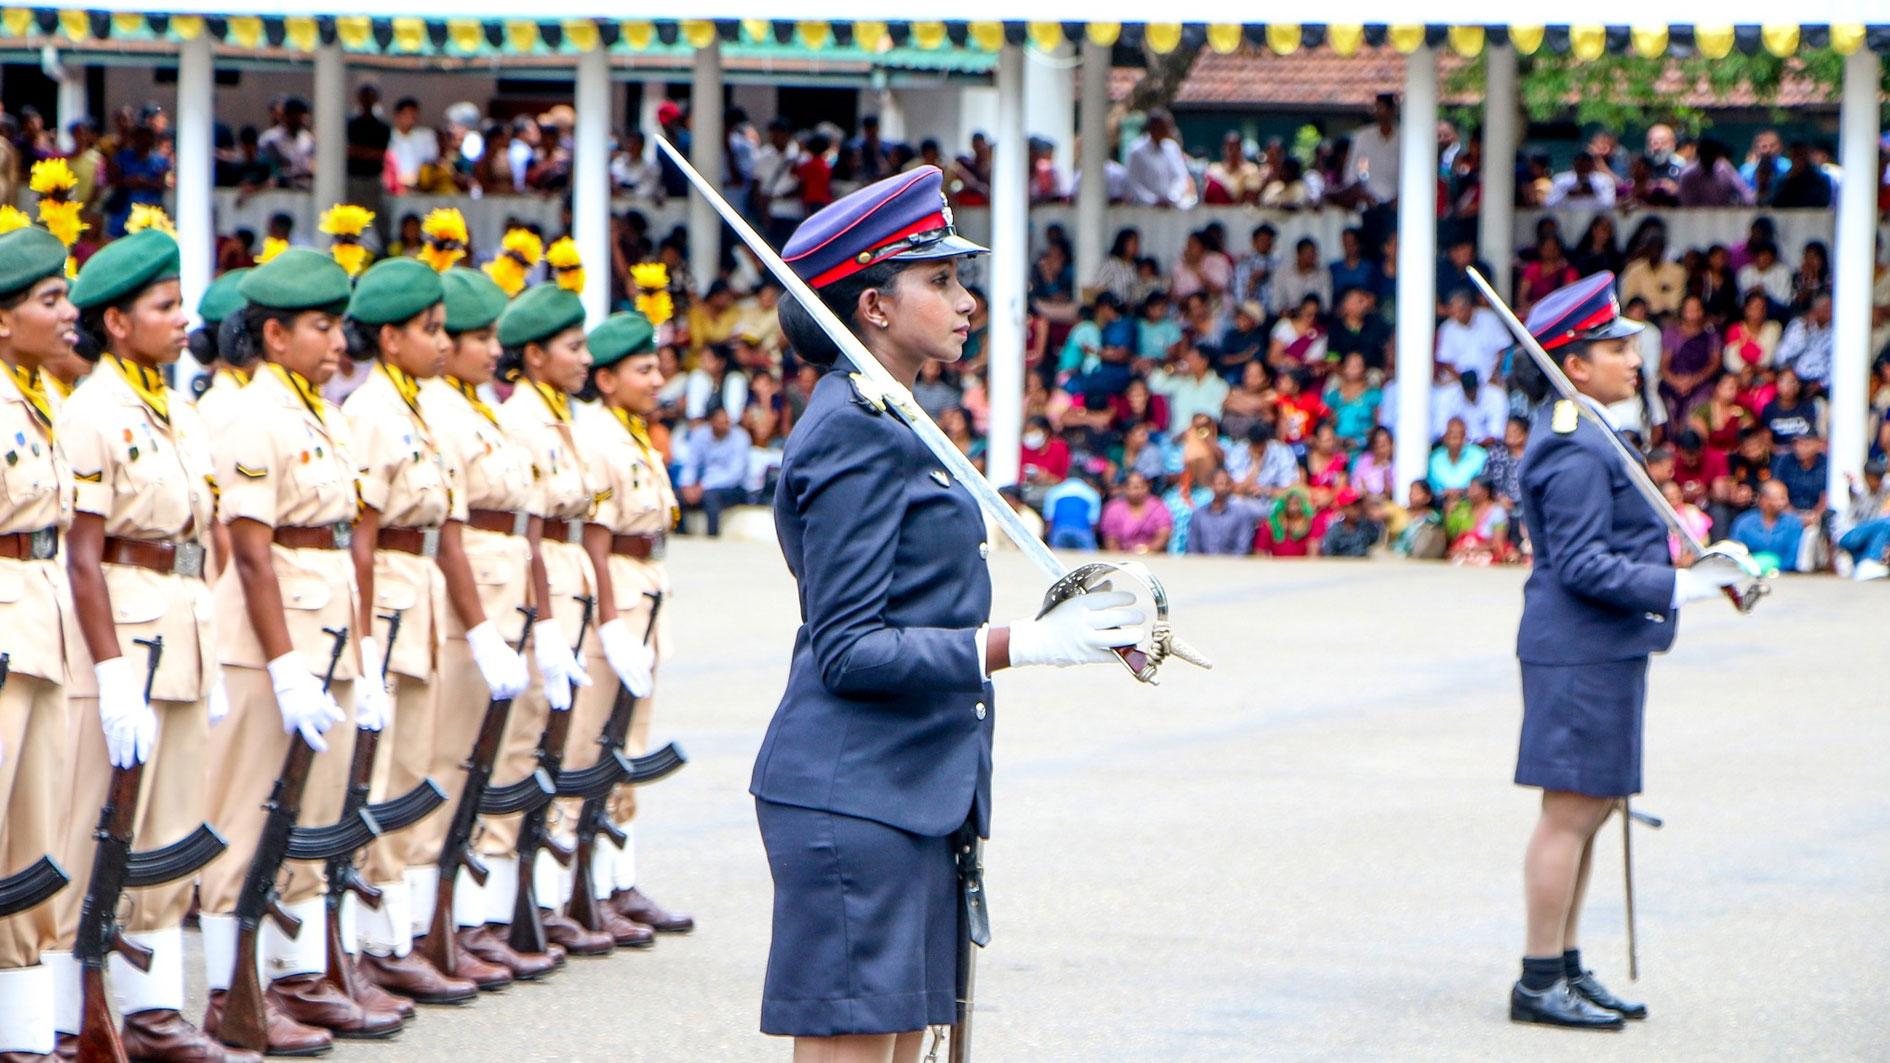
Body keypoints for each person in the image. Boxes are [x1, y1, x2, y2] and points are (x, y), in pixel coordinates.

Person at [755, 166, 1150, 1059]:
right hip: (855, 791)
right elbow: (849, 648)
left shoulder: (895, 415)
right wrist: (1027, 644)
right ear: (873, 307)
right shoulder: (853, 428)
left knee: (903, 1046)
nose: (966, 300)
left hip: (911, 787)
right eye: (939, 279)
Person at [1507, 271, 1750, 1031]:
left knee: (1591, 811)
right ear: (1574, 365)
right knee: (1569, 815)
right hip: (1579, 648)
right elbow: (1582, 564)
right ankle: (1538, 978)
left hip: (1599, 647)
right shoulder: (1576, 446)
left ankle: (1564, 965)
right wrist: (1687, 587)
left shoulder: (1590, 429)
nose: (1634, 358)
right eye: (1616, 348)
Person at [42, 216, 242, 1062]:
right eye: (164, 306)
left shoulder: (177, 408)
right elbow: (83, 556)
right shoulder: (93, 411)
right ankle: (65, 1020)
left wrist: (212, 652)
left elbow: (200, 535)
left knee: (170, 823)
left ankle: (154, 1012)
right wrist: (113, 672)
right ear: (118, 322)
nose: (182, 319)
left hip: (185, 625)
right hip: (124, 632)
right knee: (95, 830)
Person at [195, 249, 401, 1054]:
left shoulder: (322, 412)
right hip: (270, 644)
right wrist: (283, 666)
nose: (337, 341)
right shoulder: (255, 416)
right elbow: (251, 553)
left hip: (329, 635)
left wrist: (363, 654)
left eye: (338, 325)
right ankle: (229, 992)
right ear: (275, 335)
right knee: (247, 817)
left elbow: (344, 541)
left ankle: (296, 976)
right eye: (321, 326)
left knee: (312, 817)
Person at [335, 256, 496, 1005]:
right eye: (430, 329)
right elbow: (362, 540)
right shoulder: (373, 412)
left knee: (415, 771)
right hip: (389, 605)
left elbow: (448, 531)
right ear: (390, 338)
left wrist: (482, 631)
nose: (444, 341)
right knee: (379, 777)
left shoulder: (420, 408)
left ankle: (402, 935)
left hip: (421, 598)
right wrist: (364, 644)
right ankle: (370, 942)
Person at [411, 266, 545, 980]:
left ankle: (470, 919)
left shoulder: (477, 406)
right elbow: (451, 532)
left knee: (490, 763)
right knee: (447, 764)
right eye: (480, 337)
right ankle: (433, 925)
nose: (496, 350)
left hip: (505, 594)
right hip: (467, 608)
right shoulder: (436, 408)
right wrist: (482, 630)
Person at [492, 251, 616, 961]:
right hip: (545, 587)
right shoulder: (524, 422)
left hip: (573, 581)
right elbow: (530, 534)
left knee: (560, 745)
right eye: (573, 347)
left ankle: (539, 899)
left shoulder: (565, 417)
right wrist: (543, 623)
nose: (585, 358)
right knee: (523, 747)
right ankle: (499, 910)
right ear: (534, 356)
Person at [572, 309, 692, 938]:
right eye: (643, 369)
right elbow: (593, 540)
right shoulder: (596, 435)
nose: (656, 379)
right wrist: (610, 623)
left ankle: (617, 880)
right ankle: (582, 887)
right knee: (593, 744)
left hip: (643, 588)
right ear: (608, 378)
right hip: (614, 595)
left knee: (629, 744)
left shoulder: (631, 431)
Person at [0, 218, 81, 1059]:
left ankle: (22, 1028)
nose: (68, 313)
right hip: (5, 623)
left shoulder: (38, 396)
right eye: (50, 298)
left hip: (39, 618)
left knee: (32, 835)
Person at [1188, 468, 1264, 556]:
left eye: (1227, 484)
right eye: (1220, 483)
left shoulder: (1241, 514)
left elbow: (1243, 548)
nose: (1223, 487)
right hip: (1202, 563)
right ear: (1211, 485)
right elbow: (1193, 547)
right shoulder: (1198, 515)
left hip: (1232, 563)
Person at [1099, 470, 1172, 554]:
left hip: (1153, 556)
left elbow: (1163, 534)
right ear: (1125, 488)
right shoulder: (1113, 509)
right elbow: (1110, 539)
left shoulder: (1158, 507)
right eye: (1134, 487)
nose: (1138, 491)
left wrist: (1146, 551)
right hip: (1122, 557)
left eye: (1142, 486)